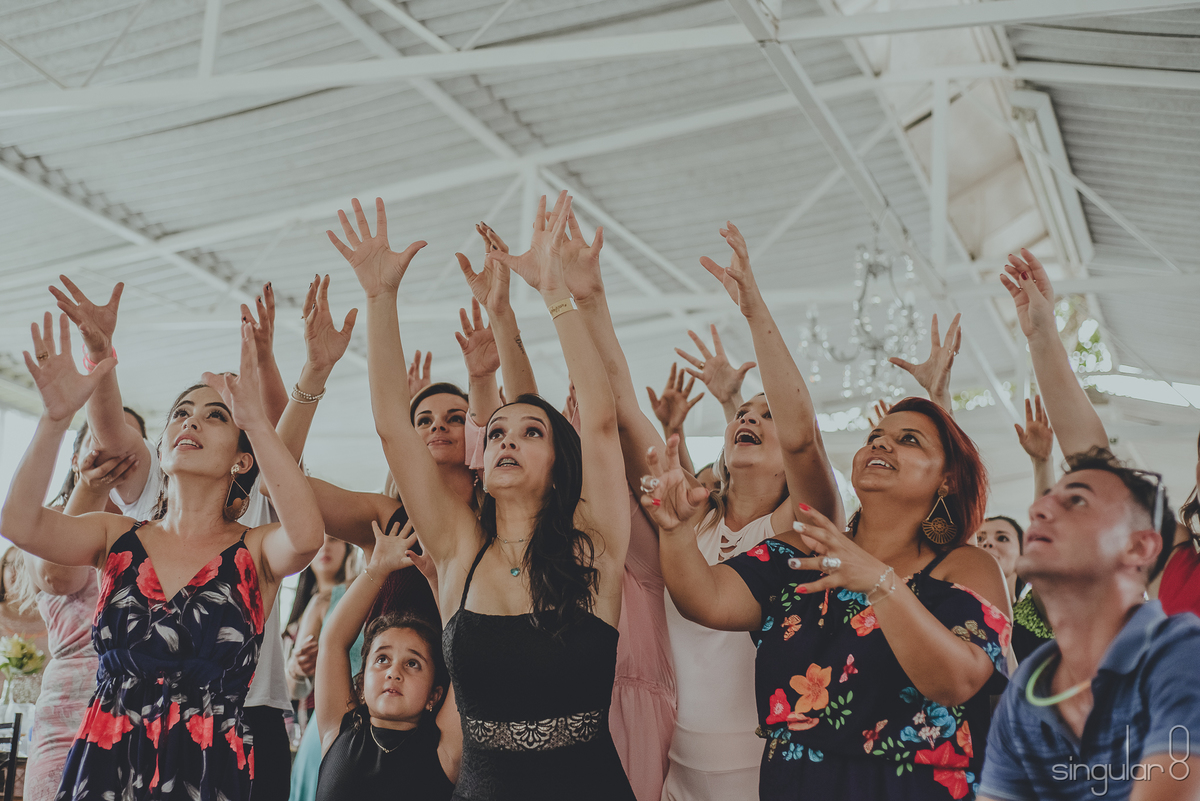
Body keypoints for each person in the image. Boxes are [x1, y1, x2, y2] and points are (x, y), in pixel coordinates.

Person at [648, 271, 1011, 801]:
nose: (881, 446)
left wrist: (881, 584)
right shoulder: (806, 552)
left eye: (907, 441)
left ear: (947, 478)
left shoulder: (962, 567)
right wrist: (677, 531)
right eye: (875, 437)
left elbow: (957, 680)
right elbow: (705, 599)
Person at [328, 192, 634, 800]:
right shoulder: (459, 548)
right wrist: (379, 297)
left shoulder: (594, 543)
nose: (505, 440)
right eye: (495, 432)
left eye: (530, 431)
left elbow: (600, 419)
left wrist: (555, 293)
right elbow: (394, 424)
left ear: (557, 461)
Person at [564, 221, 844, 801]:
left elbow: (803, 438)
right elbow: (621, 407)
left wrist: (753, 311)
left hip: (759, 765)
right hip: (671, 760)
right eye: (745, 414)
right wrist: (589, 298)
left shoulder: (804, 526)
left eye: (766, 415)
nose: (750, 419)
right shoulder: (686, 513)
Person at [0, 311, 323, 800]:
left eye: (216, 415)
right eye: (181, 412)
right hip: (104, 765)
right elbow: (21, 523)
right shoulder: (116, 535)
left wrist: (256, 419)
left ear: (242, 457)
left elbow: (306, 536)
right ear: (164, 440)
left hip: (206, 772)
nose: (191, 419)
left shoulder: (253, 549)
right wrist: (54, 419)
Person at [976, 449, 1200, 800]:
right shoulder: (1028, 687)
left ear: (1140, 547)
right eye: (1045, 500)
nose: (1037, 510)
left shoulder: (1183, 655)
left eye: (1077, 500)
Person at [22, 427, 137, 801]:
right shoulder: (48, 518)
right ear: (76, 460)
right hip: (71, 700)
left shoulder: (154, 530)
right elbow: (57, 577)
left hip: (140, 700)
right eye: (100, 444)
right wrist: (93, 488)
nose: (115, 452)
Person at [313, 519, 459, 800]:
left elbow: (462, 653)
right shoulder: (339, 733)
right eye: (381, 659)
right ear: (361, 685)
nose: (394, 672)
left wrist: (437, 583)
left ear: (434, 694)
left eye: (412, 663)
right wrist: (376, 570)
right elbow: (332, 642)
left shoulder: (444, 751)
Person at [287, 536, 360, 801]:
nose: (325, 547)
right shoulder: (318, 603)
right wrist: (298, 667)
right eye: (320, 540)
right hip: (327, 726)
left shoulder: (365, 590)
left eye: (335, 539)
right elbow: (295, 686)